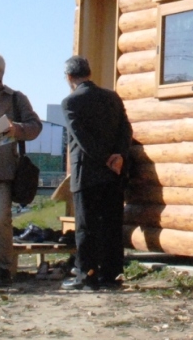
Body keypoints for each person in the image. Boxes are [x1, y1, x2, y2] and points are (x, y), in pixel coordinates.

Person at [61, 56, 132, 290]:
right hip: (115, 173)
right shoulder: (112, 97)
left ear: (69, 77)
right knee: (112, 224)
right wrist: (118, 156)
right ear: (89, 73)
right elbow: (126, 129)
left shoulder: (71, 102)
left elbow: (82, 140)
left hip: (87, 173)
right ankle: (111, 275)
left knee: (86, 227)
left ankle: (86, 275)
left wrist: (104, 159)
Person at [0, 54, 43, 287]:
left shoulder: (16, 99)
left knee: (0, 219)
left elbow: (35, 127)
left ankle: (4, 270)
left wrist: (16, 129)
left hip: (2, 173)